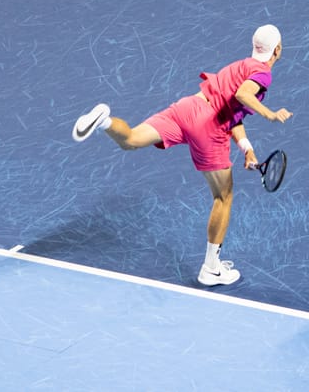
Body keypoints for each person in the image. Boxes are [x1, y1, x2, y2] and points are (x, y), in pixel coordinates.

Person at [72, 24, 292, 286]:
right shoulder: (263, 74)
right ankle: (211, 268)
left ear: (255, 46)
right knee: (224, 196)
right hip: (208, 126)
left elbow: (233, 111)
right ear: (277, 49)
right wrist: (271, 114)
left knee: (130, 140)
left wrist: (246, 148)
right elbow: (243, 95)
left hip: (187, 108)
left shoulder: (239, 66)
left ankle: (104, 122)